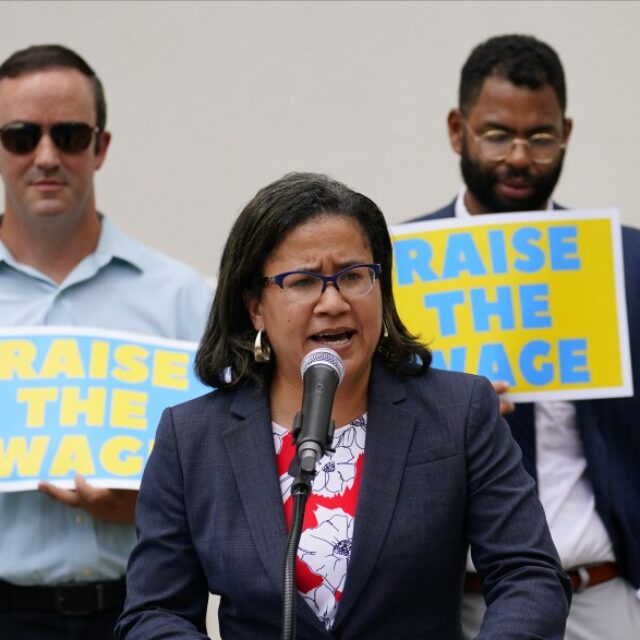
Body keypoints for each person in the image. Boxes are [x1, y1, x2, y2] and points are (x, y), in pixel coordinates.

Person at [115, 171, 570, 639]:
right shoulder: (191, 439)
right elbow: (154, 613)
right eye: (304, 281)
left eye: (353, 276)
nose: (332, 302)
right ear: (255, 306)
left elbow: (528, 577)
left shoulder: (459, 411)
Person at [410, 34, 640, 639]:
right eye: (496, 134)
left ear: (564, 132)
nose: (519, 156)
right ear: (457, 129)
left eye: (540, 137)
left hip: (599, 595)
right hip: (452, 604)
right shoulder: (394, 268)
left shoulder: (626, 265)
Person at [0, 44, 212, 639]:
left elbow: (230, 464)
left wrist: (150, 504)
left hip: (146, 609)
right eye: (20, 135)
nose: (46, 156)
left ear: (101, 146)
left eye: (69, 134)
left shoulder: (182, 298)